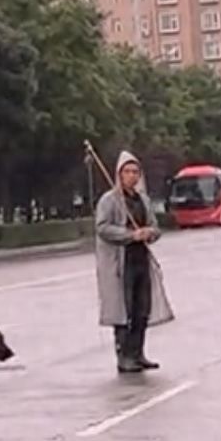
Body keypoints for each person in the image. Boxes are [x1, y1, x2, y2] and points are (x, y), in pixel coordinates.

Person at [95, 151, 174, 373]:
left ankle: (138, 353)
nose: (131, 176)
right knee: (123, 310)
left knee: (142, 309)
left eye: (135, 172)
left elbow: (154, 226)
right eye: (127, 172)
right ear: (119, 174)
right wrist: (130, 235)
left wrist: (150, 232)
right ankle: (124, 357)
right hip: (120, 264)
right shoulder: (109, 201)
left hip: (141, 261)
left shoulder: (143, 200)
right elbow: (102, 228)